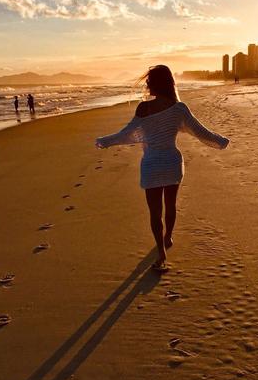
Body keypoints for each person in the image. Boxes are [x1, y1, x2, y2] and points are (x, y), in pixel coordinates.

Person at [96, 65, 229, 271]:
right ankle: (168, 237)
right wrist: (220, 141)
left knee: (154, 212)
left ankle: (161, 252)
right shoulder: (178, 108)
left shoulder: (143, 108)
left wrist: (105, 141)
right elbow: (200, 131)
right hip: (172, 162)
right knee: (171, 205)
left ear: (155, 84)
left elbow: (126, 133)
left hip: (151, 165)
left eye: (149, 81)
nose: (147, 84)